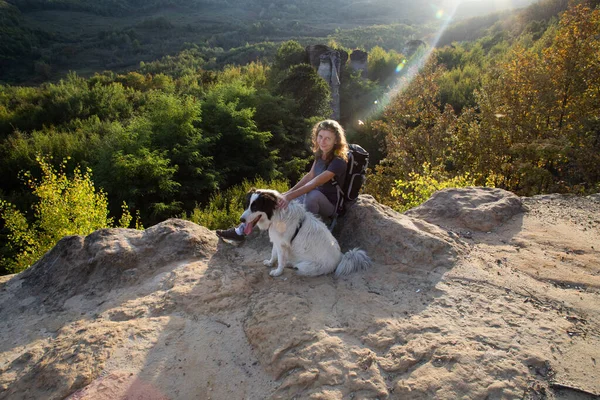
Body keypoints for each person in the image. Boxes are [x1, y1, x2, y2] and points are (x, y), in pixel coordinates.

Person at [216, 119, 349, 241]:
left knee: (311, 195)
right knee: (274, 200)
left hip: (330, 206)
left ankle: (307, 235)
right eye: (320, 136)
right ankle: (240, 231)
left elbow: (315, 182)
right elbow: (310, 176)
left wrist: (289, 197)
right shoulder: (321, 154)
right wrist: (285, 194)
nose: (322, 141)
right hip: (312, 195)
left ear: (336, 141)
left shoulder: (338, 161)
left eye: (328, 139)